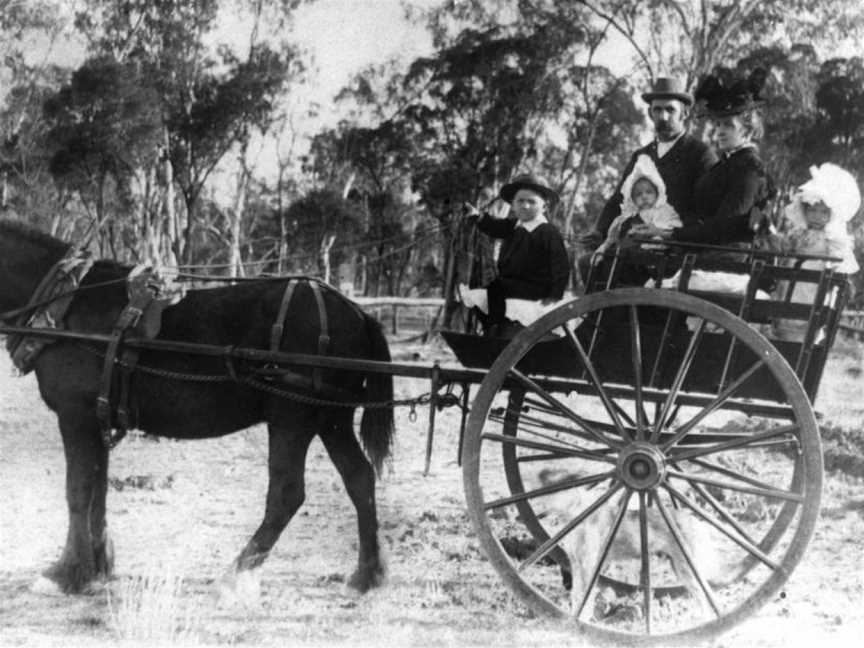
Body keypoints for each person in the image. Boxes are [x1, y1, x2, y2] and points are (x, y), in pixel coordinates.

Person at [578, 76, 716, 283]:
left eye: (671, 110)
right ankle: (597, 314)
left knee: (623, 261)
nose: (664, 116)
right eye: (658, 110)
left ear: (685, 113)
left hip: (674, 247)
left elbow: (705, 211)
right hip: (636, 240)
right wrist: (599, 231)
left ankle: (616, 315)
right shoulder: (641, 156)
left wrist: (668, 234)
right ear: (650, 113)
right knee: (588, 262)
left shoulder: (700, 154)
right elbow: (619, 200)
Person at [631, 69, 776, 247]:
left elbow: (722, 228)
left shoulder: (750, 171)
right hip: (699, 249)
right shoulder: (726, 164)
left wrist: (667, 234)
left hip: (727, 260)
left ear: (749, 130)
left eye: (729, 125)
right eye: (718, 124)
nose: (720, 131)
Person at [461, 173, 570, 334]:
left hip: (538, 287)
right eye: (520, 201)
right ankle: (492, 327)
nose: (525, 206)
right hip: (514, 283)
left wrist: (554, 295)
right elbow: (494, 226)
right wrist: (477, 216)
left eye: (531, 202)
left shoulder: (547, 232)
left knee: (496, 287)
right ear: (513, 204)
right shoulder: (514, 226)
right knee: (481, 295)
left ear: (544, 207)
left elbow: (561, 266)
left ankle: (495, 326)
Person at [596, 154, 682, 256]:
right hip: (624, 255)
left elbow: (669, 233)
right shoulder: (626, 218)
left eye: (649, 192)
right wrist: (604, 247)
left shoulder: (663, 212)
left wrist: (656, 237)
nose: (644, 197)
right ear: (632, 198)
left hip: (649, 258)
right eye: (638, 194)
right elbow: (611, 239)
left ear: (657, 193)